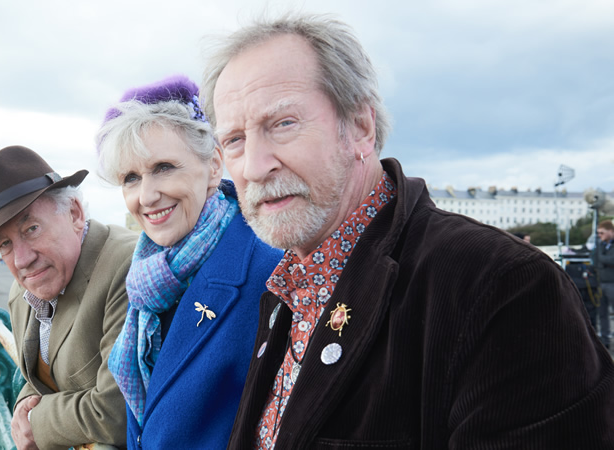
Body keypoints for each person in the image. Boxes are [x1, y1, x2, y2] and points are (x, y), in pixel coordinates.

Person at [201, 13, 614, 448]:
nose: (254, 166)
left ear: (361, 127)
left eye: (282, 124)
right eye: (234, 140)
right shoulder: (286, 288)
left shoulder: (502, 285)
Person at [95, 75, 283, 449]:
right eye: (131, 178)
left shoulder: (270, 273)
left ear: (214, 165)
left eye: (164, 167)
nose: (146, 196)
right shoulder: (147, 277)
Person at [0, 146, 137, 450]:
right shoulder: (23, 291)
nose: (21, 260)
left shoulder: (127, 267)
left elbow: (119, 413)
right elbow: (35, 376)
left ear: (74, 213)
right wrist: (23, 405)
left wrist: (36, 423)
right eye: (4, 244)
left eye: (31, 228)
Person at [597, 219, 614, 348]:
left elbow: (611, 260)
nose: (600, 235)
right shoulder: (601, 245)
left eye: (602, 233)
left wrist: (602, 259)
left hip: (612, 283)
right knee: (602, 313)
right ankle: (605, 340)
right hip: (601, 282)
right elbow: (595, 259)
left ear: (611, 231)